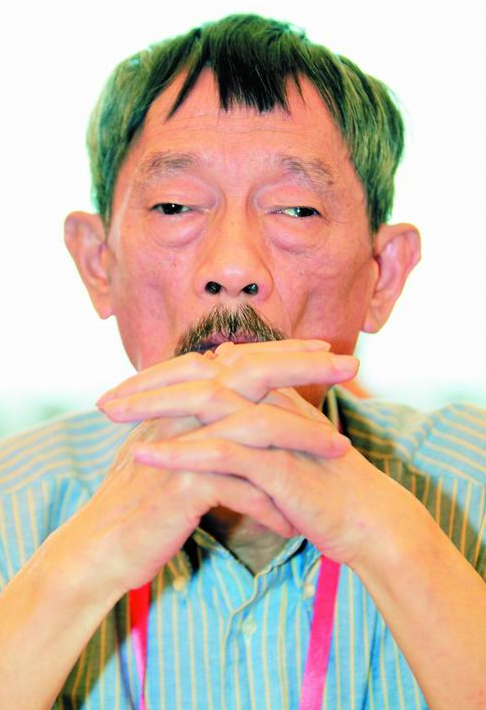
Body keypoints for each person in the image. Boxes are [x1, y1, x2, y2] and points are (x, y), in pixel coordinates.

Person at [0, 13, 485, 710]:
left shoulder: (472, 485)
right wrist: (78, 569)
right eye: (175, 205)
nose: (232, 268)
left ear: (382, 276)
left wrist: (392, 542)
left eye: (296, 210)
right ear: (98, 263)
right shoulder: (13, 505)